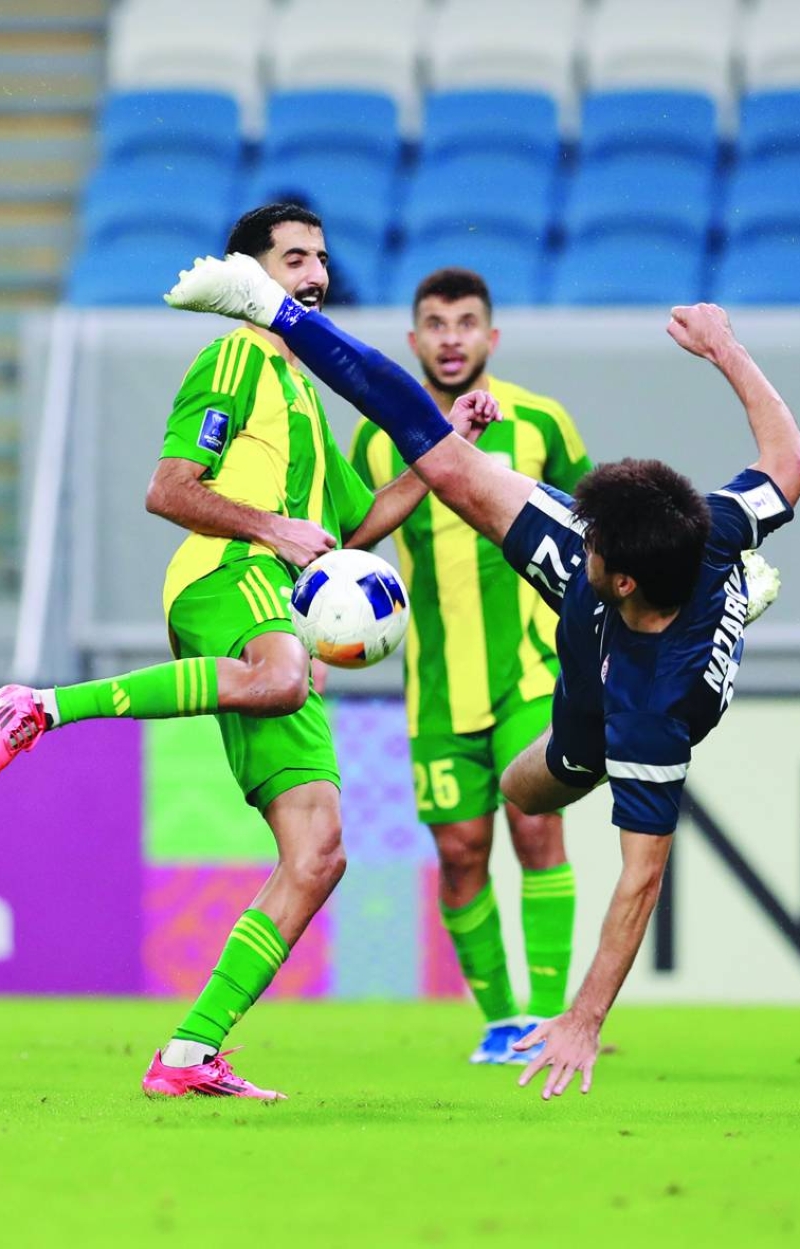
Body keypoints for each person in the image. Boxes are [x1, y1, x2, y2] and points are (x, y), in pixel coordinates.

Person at [162, 253, 800, 1099]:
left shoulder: (656, 712)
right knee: (440, 467)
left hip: (613, 706)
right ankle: (267, 305)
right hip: (626, 617)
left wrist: (583, 1018)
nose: (581, 541)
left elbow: (641, 876)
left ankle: (731, 612)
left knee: (538, 794)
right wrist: (725, 346)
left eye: (594, 546)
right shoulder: (709, 523)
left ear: (616, 577)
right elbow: (793, 457)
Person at [0, 203, 497, 1101]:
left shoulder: (306, 397)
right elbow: (167, 489)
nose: (314, 275)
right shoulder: (232, 359)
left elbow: (352, 527)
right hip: (225, 574)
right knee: (284, 675)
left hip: (275, 607)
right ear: (252, 275)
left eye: (320, 260)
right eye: (293, 259)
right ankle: (43, 704)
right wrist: (270, 528)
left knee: (319, 850)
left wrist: (449, 452)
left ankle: (189, 1051)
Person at [349, 268, 591, 1065]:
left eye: (465, 322)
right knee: (458, 852)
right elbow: (355, 543)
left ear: (491, 337)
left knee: (535, 822)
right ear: (413, 340)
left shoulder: (543, 421)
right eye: (434, 323)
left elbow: (593, 524)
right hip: (437, 689)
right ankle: (501, 1020)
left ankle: (552, 1017)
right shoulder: (375, 431)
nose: (451, 336)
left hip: (531, 671)